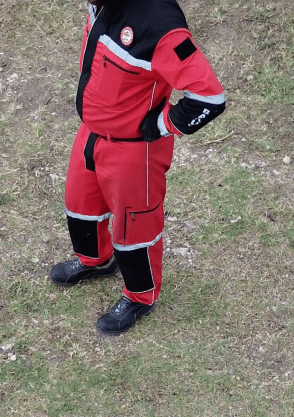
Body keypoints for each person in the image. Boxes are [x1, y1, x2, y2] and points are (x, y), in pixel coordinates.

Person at [49, 0, 226, 334]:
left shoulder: (160, 25)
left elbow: (210, 98)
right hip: (91, 132)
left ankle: (140, 297)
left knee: (135, 232)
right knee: (79, 205)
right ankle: (96, 260)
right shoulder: (102, 4)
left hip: (134, 151)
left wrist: (161, 126)